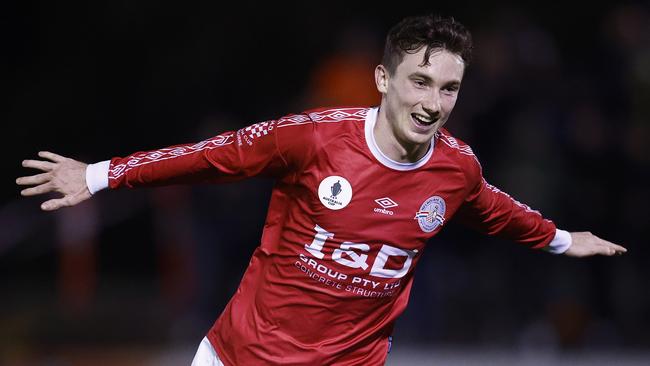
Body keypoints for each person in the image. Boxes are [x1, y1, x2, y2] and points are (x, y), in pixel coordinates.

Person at [16, 14, 627, 366]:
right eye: (420, 82)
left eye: (449, 89)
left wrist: (560, 240)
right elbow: (210, 157)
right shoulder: (313, 140)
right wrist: (98, 175)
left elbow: (493, 208)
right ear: (383, 79)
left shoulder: (456, 168)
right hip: (243, 357)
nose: (433, 103)